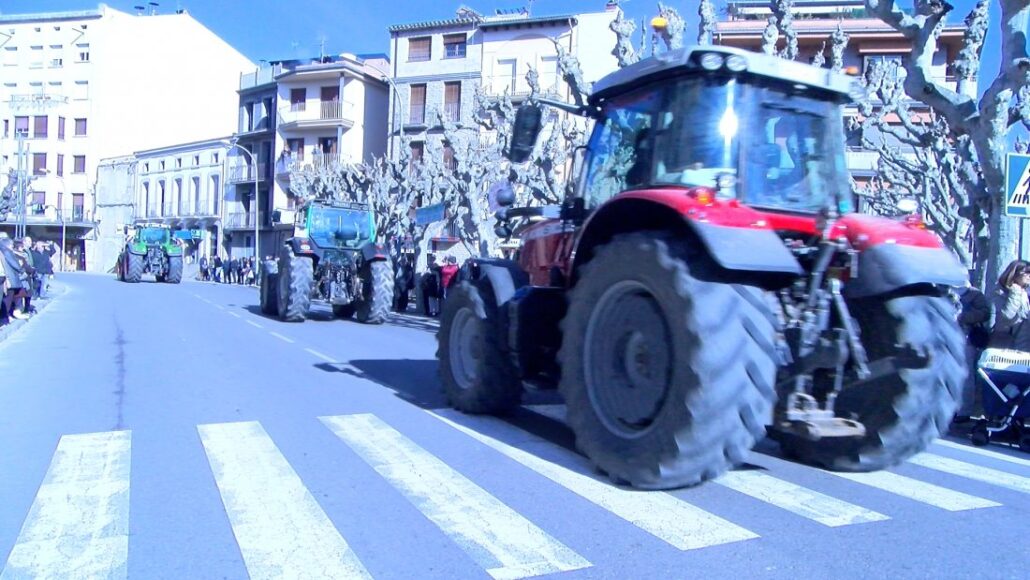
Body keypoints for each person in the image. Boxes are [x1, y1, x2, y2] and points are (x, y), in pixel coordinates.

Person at [954, 277, 994, 422]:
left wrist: (962, 317)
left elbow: (985, 313)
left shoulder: (975, 294)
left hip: (967, 339)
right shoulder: (942, 290)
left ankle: (964, 411)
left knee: (966, 376)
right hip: (944, 338)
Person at [989, 259, 1030, 351]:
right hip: (1006, 343)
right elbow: (1007, 316)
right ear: (1015, 273)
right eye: (1026, 273)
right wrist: (1015, 292)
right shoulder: (1000, 292)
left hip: (1024, 341)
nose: (1029, 276)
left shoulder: (1026, 292)